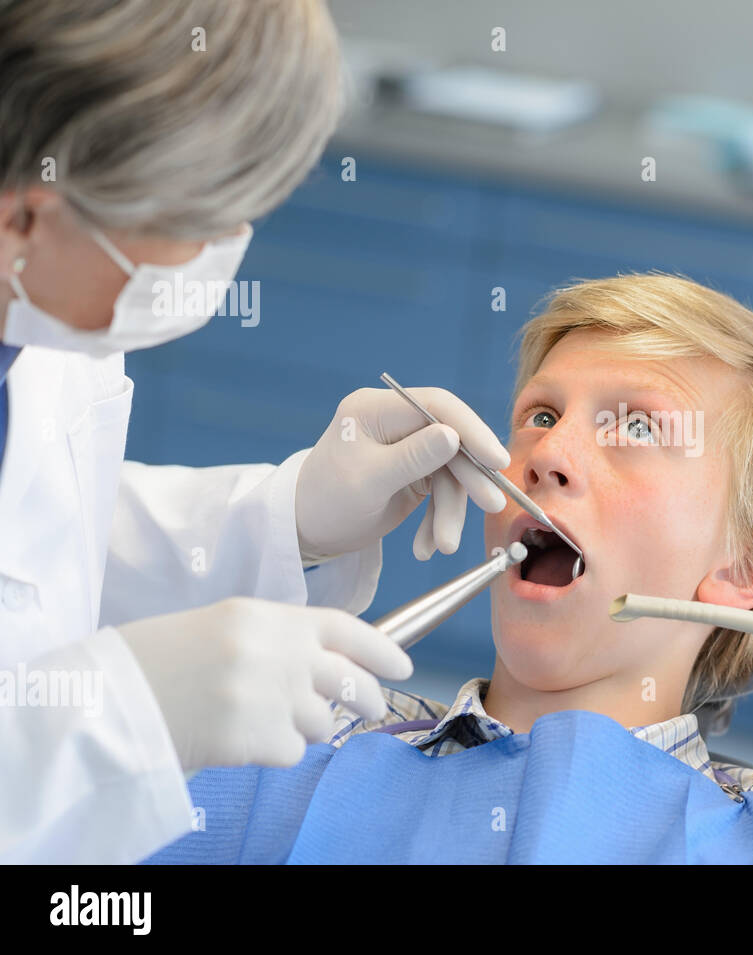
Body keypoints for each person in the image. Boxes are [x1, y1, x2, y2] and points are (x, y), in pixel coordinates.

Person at [149, 274, 753, 864]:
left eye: (636, 426)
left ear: (746, 572)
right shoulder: (284, 732)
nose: (547, 455)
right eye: (541, 414)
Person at [0, 0, 508, 863]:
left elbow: (35, 540)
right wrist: (128, 707)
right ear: (25, 218)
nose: (225, 250)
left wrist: (287, 515)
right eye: (198, 224)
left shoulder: (46, 311)